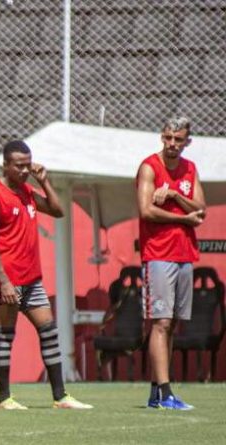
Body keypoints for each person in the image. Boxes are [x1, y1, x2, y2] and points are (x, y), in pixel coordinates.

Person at [0, 140, 92, 410]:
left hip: (32, 279)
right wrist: (4, 282)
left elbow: (58, 210)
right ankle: (5, 399)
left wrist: (44, 181)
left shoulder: (27, 190)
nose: (24, 170)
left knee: (49, 332)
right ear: (5, 165)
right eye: (19, 166)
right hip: (6, 279)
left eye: (27, 165)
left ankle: (60, 397)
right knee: (6, 334)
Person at [137, 117, 205, 410]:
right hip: (158, 254)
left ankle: (156, 392)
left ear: (187, 141)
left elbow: (201, 210)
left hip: (185, 254)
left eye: (178, 139)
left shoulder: (190, 168)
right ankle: (165, 393)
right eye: (167, 138)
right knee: (161, 322)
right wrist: (182, 217)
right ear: (161, 137)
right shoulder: (149, 166)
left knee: (172, 324)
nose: (172, 144)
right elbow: (145, 209)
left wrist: (176, 195)